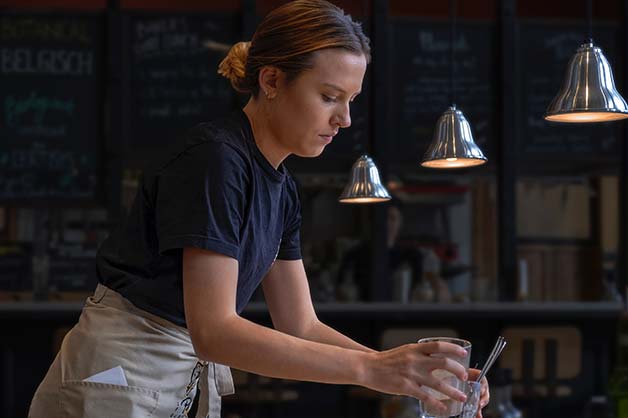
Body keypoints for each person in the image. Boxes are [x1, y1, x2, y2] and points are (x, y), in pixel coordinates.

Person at [28, 1, 489, 417]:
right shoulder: (217, 159)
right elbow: (215, 331)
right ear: (271, 80)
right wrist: (372, 368)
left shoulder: (282, 188)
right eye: (329, 97)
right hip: (119, 375)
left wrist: (407, 378)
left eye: (351, 101)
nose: (344, 119)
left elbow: (302, 325)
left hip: (173, 379)